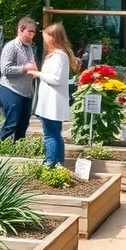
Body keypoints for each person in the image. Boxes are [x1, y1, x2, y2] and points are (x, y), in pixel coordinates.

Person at [26, 22, 76, 166]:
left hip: (52, 103)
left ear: (53, 38)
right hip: (51, 102)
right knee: (55, 134)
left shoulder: (59, 56)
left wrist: (36, 73)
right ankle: (57, 163)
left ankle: (50, 163)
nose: (44, 40)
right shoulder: (57, 55)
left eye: (46, 37)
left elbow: (56, 79)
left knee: (50, 135)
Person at [0, 16, 38, 143]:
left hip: (26, 92)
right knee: (12, 123)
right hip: (10, 89)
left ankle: (17, 149)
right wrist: (24, 68)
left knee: (23, 124)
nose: (32, 35)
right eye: (29, 32)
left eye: (34, 32)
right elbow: (5, 70)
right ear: (20, 30)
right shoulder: (11, 46)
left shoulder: (31, 48)